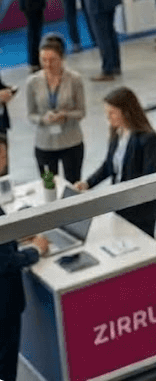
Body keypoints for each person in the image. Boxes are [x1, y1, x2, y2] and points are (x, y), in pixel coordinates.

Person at [76, 87, 156, 237]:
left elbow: (149, 178)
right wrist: (87, 183)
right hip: (121, 206)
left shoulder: (148, 138)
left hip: (141, 211)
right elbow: (109, 165)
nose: (107, 117)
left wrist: (115, 195)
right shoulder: (117, 132)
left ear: (126, 111)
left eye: (112, 112)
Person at [0, 136, 49, 381]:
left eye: (5, 155)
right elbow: (4, 262)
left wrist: (15, 238)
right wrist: (36, 251)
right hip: (4, 303)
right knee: (6, 364)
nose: (3, 162)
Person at [26, 34, 86, 183]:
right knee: (48, 185)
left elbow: (81, 112)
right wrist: (43, 119)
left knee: (73, 185)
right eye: (43, 60)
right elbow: (31, 114)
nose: (47, 64)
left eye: (52, 60)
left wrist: (65, 115)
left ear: (62, 58)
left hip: (71, 141)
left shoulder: (75, 79)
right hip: (44, 144)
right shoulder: (32, 82)